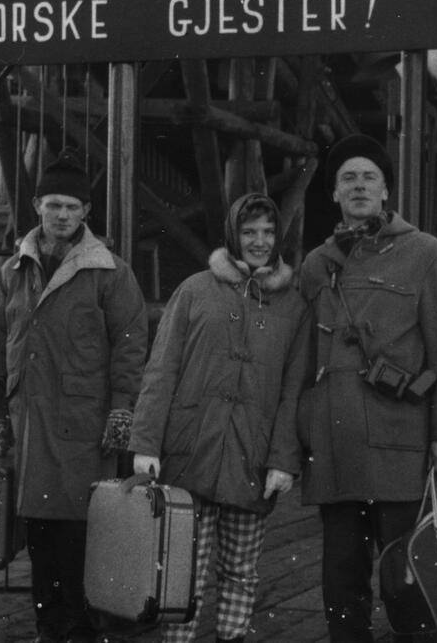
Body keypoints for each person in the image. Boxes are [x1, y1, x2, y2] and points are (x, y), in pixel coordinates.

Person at [296, 134, 437, 643]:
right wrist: (305, 429)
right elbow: (303, 360)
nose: (358, 185)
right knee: (341, 581)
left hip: (401, 443)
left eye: (369, 176)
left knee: (407, 576)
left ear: (386, 188)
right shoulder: (316, 265)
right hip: (335, 447)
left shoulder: (425, 253)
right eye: (347, 178)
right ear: (334, 193)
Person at [128, 192, 309, 643]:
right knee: (181, 570)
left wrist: (283, 460)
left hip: (253, 458)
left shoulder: (293, 306)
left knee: (241, 572)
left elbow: (294, 391)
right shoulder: (194, 290)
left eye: (268, 232)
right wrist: (146, 443)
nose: (260, 241)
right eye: (249, 232)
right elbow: (161, 369)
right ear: (233, 234)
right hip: (191, 453)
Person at [0, 151, 148, 643]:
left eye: (72, 207)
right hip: (29, 428)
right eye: (53, 205)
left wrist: (122, 412)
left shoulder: (110, 273)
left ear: (86, 213)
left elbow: (130, 348)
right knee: (40, 540)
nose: (61, 215)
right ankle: (48, 630)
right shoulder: (12, 271)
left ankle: (78, 632)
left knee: (81, 540)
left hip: (84, 430)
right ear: (36, 205)